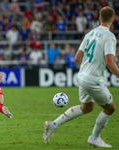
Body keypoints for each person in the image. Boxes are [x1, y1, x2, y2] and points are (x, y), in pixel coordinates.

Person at [43, 6, 119, 148]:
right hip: (93, 79)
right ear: (113, 20)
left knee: (87, 107)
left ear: (99, 19)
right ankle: (94, 137)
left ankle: (53, 125)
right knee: (110, 109)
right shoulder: (109, 36)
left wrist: (84, 71)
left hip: (82, 76)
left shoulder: (90, 34)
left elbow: (78, 57)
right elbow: (110, 62)